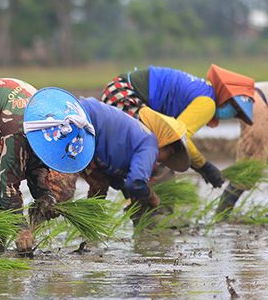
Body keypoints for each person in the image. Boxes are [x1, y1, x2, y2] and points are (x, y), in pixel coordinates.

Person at [23, 88, 191, 227]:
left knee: (99, 188)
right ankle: (29, 232)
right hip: (79, 125)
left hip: (83, 124)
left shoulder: (137, 138)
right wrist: (151, 197)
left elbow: (121, 180)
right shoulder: (150, 143)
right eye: (166, 155)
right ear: (166, 145)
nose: (160, 161)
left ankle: (89, 229)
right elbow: (136, 182)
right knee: (61, 192)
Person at [0, 78, 76, 254]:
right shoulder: (18, 134)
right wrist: (21, 229)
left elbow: (35, 166)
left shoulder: (51, 131)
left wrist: (45, 196)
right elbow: (7, 186)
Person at [101, 64, 255, 188]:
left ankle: (150, 214)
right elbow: (180, 137)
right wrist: (205, 167)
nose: (233, 115)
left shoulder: (200, 89)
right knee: (157, 161)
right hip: (125, 96)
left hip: (118, 91)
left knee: (152, 156)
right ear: (226, 99)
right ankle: (156, 220)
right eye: (235, 110)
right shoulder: (208, 102)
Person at [217, 81, 268, 214]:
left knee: (248, 165)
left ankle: (222, 213)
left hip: (251, 100)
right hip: (258, 104)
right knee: (250, 169)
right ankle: (222, 213)